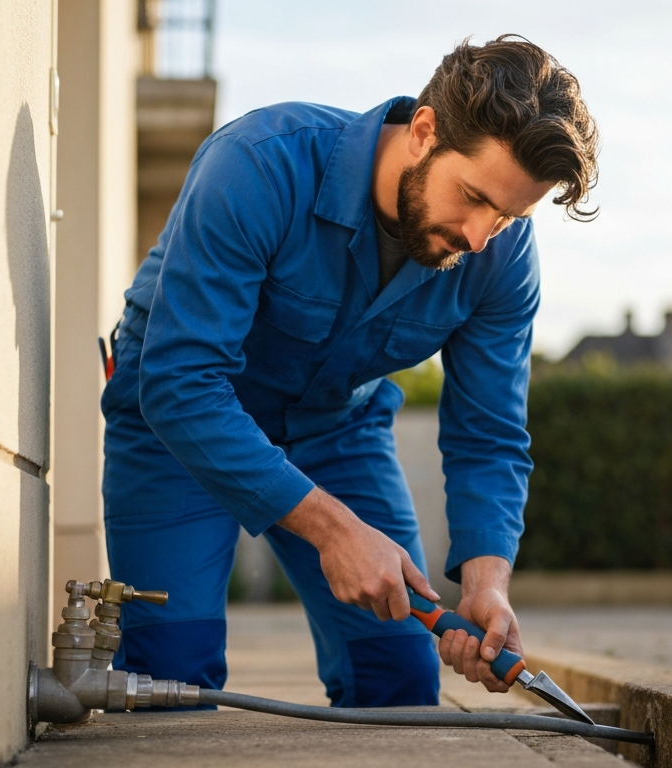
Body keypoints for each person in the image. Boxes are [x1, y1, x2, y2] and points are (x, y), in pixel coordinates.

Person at [101, 34, 598, 707]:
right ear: (424, 131)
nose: (481, 237)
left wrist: (488, 582)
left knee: (399, 681)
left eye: (509, 216)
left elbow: (489, 433)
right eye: (475, 198)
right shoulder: (257, 165)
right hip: (180, 424)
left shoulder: (501, 258)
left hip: (337, 426)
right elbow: (181, 381)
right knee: (170, 677)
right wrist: (334, 531)